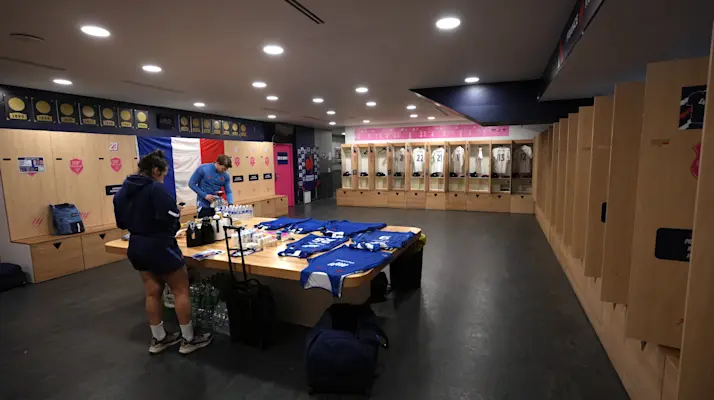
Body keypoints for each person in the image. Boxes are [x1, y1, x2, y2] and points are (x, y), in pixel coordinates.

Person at [113, 150, 212, 355]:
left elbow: (121, 222)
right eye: (163, 174)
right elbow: (171, 217)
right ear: (155, 170)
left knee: (152, 292)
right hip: (160, 245)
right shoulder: (155, 189)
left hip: (137, 245)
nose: (163, 178)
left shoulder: (123, 191)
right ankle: (189, 338)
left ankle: (159, 338)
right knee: (180, 290)